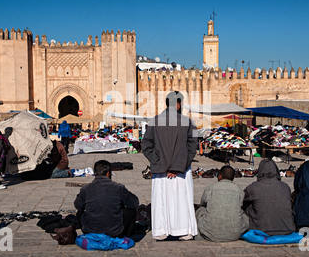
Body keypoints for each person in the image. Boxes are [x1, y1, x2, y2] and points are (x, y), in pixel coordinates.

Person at [141, 91, 198, 241]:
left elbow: (146, 144)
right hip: (182, 170)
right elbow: (193, 146)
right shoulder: (188, 122)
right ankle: (184, 231)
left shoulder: (154, 121)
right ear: (178, 104)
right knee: (182, 199)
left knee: (161, 200)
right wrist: (180, 165)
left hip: (161, 171)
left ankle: (161, 231)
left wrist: (158, 162)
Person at [73, 160, 139, 238]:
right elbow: (134, 202)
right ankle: (127, 234)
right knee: (132, 211)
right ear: (108, 174)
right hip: (115, 232)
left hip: (90, 230)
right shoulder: (118, 188)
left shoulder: (85, 189)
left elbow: (77, 205)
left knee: (79, 212)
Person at [243, 159, 296, 235]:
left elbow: (241, 198)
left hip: (261, 229)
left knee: (246, 204)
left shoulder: (254, 187)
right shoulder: (285, 186)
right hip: (287, 228)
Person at [196, 165, 248, 242]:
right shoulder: (239, 190)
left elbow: (203, 203)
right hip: (234, 234)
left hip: (209, 232)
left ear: (219, 176)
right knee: (243, 214)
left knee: (200, 209)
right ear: (233, 178)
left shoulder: (210, 188)